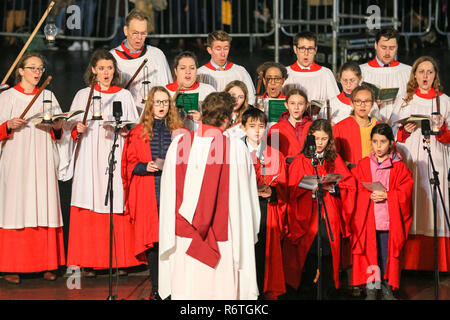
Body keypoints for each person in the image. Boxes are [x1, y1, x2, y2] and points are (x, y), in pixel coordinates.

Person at [158, 92, 261, 300]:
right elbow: (247, 196)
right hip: (224, 233)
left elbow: (168, 190)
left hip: (184, 234)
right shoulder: (235, 148)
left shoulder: (179, 144)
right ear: (226, 118)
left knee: (188, 291)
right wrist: (251, 227)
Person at [62, 49, 141, 277]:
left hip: (114, 152)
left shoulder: (124, 96)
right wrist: (77, 130)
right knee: (90, 198)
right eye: (102, 68)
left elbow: (133, 129)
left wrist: (124, 130)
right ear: (94, 70)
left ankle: (120, 260)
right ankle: (88, 261)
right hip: (89, 155)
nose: (106, 73)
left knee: (115, 199)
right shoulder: (82, 95)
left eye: (110, 68)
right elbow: (68, 132)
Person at [0, 52, 65, 284]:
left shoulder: (48, 96)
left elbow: (60, 133)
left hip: (42, 157)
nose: (37, 73)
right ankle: (12, 265)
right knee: (16, 207)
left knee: (43, 203)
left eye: (40, 69)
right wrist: (7, 125)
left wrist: (58, 126)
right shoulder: (7, 97)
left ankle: (47, 264)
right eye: (32, 68)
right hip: (16, 157)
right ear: (20, 71)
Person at [122, 86, 184, 300]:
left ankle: (175, 287)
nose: (161, 106)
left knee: (175, 241)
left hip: (173, 193)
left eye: (165, 102)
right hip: (150, 192)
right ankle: (157, 288)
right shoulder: (138, 132)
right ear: (150, 105)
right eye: (157, 102)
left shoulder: (179, 130)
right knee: (155, 242)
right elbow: (128, 164)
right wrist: (143, 167)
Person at [283, 119, 356, 299]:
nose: (320, 143)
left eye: (324, 139)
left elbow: (349, 185)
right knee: (308, 257)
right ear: (310, 138)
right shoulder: (300, 160)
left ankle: (327, 292)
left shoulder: (334, 158)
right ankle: (305, 291)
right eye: (316, 138)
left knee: (328, 256)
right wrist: (308, 188)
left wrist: (335, 188)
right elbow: (291, 189)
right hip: (307, 215)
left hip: (328, 213)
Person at [394, 56, 450, 272]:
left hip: (436, 156)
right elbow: (392, 132)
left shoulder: (444, 101)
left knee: (435, 201)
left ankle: (438, 263)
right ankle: (410, 263)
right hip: (411, 158)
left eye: (429, 72)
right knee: (413, 201)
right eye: (421, 71)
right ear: (414, 74)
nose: (425, 76)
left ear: (435, 75)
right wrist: (402, 131)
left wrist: (441, 130)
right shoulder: (404, 101)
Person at [351, 123, 413, 300]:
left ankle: (386, 287)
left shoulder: (399, 167)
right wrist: (366, 195)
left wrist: (388, 195)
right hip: (369, 220)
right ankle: (371, 289)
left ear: (391, 143)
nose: (378, 146)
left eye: (383, 142)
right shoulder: (363, 164)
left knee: (385, 256)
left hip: (388, 220)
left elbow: (406, 191)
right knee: (371, 255)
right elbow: (354, 187)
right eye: (375, 141)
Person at [241, 107, 288, 300]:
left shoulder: (274, 154)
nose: (257, 131)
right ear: (243, 128)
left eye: (261, 126)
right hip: (241, 209)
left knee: (261, 253)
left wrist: (273, 191)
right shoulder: (236, 152)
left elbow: (284, 186)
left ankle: (261, 291)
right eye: (252, 126)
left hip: (264, 209)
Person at [110, 8, 172, 114]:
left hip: (152, 117)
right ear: (126, 31)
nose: (139, 38)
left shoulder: (157, 55)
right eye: (135, 33)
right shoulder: (112, 58)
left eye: (143, 33)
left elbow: (166, 91)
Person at [360, 27, 412, 125]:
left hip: (400, 128)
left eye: (392, 48)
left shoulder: (407, 71)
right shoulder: (362, 71)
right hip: (369, 126)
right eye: (383, 48)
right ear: (375, 45)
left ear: (397, 47)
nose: (387, 53)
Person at [197, 30, 256, 105]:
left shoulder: (239, 71)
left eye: (226, 49)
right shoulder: (200, 73)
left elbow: (250, 98)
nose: (223, 54)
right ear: (209, 50)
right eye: (218, 49)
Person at [283, 31, 339, 103]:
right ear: (295, 49)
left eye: (310, 49)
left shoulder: (325, 74)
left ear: (315, 50)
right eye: (302, 48)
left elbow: (335, 103)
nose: (306, 53)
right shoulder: (286, 73)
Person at [165, 51, 215, 131]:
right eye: (182, 68)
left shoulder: (208, 91)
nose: (188, 72)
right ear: (175, 71)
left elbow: (219, 119)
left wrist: (203, 118)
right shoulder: (164, 92)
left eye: (192, 68)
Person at [333, 85, 379, 169]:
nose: (362, 105)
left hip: (374, 174)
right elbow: (334, 157)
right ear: (352, 103)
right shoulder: (340, 127)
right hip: (349, 175)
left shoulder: (378, 127)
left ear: (372, 104)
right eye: (358, 101)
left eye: (367, 101)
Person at [267, 88, 312, 163]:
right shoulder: (276, 128)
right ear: (286, 105)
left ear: (306, 105)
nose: (296, 107)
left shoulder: (313, 127)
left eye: (300, 104)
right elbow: (271, 158)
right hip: (285, 171)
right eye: (292, 103)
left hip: (309, 171)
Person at [255, 61, 288, 129]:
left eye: (277, 78)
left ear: (283, 80)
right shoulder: (256, 102)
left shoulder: (289, 103)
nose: (273, 82)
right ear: (264, 80)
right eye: (269, 79)